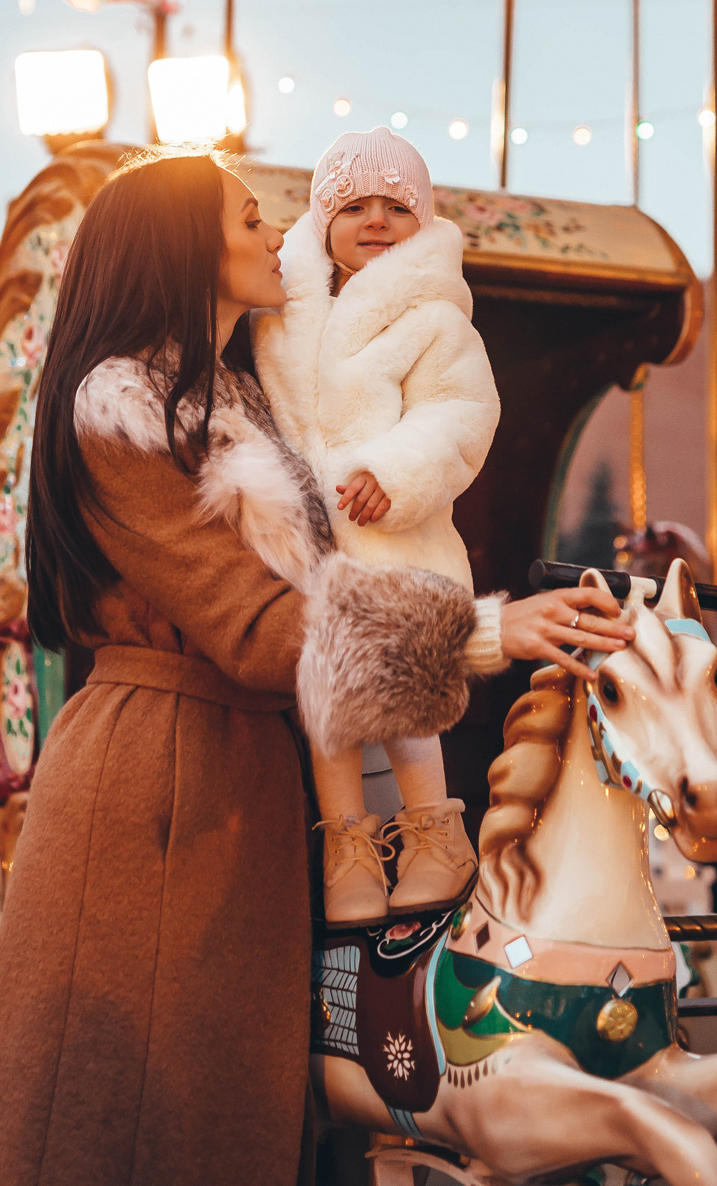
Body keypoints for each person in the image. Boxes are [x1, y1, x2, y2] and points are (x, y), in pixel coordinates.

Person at [0, 147, 635, 1186]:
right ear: (185, 250)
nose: (277, 236)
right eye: (247, 220)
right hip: (160, 777)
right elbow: (257, 625)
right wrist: (480, 630)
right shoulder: (120, 415)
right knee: (129, 1117)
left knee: (213, 1108)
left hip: (236, 768)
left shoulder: (238, 397)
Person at [253, 126, 500, 921]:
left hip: (392, 534)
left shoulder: (434, 317)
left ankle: (435, 833)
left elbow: (459, 413)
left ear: (420, 222)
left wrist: (391, 474)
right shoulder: (281, 312)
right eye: (353, 206)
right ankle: (347, 847)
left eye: (396, 207)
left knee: (401, 689)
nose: (376, 221)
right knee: (325, 705)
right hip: (307, 547)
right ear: (322, 219)